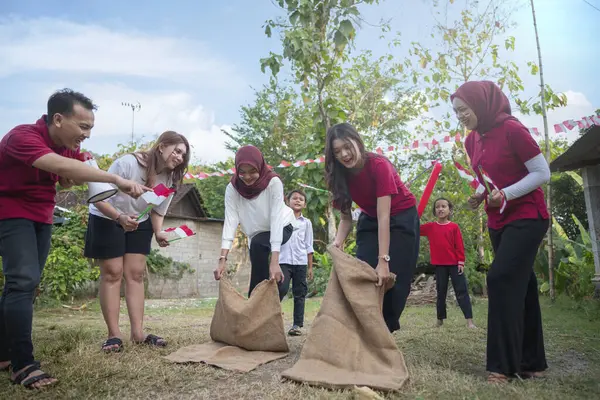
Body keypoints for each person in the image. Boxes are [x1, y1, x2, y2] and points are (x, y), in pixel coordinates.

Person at [0, 89, 149, 390]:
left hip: (42, 216)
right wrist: (116, 179)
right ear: (58, 119)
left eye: (91, 128)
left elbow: (74, 171)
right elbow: (61, 166)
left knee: (23, 284)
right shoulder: (22, 136)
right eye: (83, 127)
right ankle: (24, 364)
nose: (87, 135)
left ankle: (4, 353)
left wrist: (78, 174)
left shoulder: (67, 148)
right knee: (23, 280)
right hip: (11, 212)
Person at [451, 80, 551, 383]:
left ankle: (502, 366)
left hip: (528, 216)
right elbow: (488, 179)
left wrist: (507, 194)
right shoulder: (471, 141)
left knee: (500, 278)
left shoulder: (512, 129)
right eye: (456, 113)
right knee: (523, 285)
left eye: (464, 110)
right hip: (498, 220)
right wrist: (480, 194)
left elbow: (542, 172)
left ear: (480, 104)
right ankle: (530, 362)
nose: (461, 117)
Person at [84, 131, 190, 353]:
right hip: (107, 215)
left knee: (136, 273)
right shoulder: (128, 164)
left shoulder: (170, 179)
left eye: (183, 155)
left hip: (139, 221)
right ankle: (114, 335)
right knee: (113, 272)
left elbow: (158, 211)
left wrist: (159, 232)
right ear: (161, 147)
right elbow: (99, 196)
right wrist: (119, 218)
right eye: (177, 151)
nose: (180, 157)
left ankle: (138, 333)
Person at [325, 123, 419, 333]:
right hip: (370, 217)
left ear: (357, 142)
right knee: (365, 273)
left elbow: (384, 215)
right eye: (337, 151)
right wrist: (337, 243)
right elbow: (346, 219)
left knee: (393, 279)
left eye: (347, 147)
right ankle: (364, 331)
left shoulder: (379, 165)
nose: (344, 154)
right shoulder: (339, 175)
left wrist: (383, 261)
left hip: (401, 217)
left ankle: (385, 333)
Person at [214, 145, 296, 296]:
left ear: (260, 167)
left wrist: (275, 260)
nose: (247, 177)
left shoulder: (273, 182)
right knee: (260, 274)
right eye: (242, 172)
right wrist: (222, 258)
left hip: (283, 226)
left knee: (263, 250)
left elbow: (276, 218)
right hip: (256, 236)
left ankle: (252, 306)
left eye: (252, 171)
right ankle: (267, 301)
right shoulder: (232, 189)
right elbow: (230, 222)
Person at [420, 198, 476, 329]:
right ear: (434, 211)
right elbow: (415, 228)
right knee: (441, 293)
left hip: (455, 264)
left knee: (461, 291)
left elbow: (459, 246)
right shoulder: (430, 227)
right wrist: (414, 211)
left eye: (443, 206)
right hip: (440, 266)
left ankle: (469, 321)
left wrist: (461, 262)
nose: (440, 209)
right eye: (437, 207)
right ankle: (440, 321)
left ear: (449, 210)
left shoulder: (454, 227)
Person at [278, 189, 314, 336]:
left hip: (300, 262)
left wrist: (310, 267)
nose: (298, 200)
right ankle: (270, 318)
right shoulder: (281, 219)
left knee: (300, 293)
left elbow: (309, 245)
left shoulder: (307, 223)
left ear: (304, 204)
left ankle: (296, 325)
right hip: (283, 261)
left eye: (301, 199)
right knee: (281, 289)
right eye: (294, 198)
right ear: (288, 201)